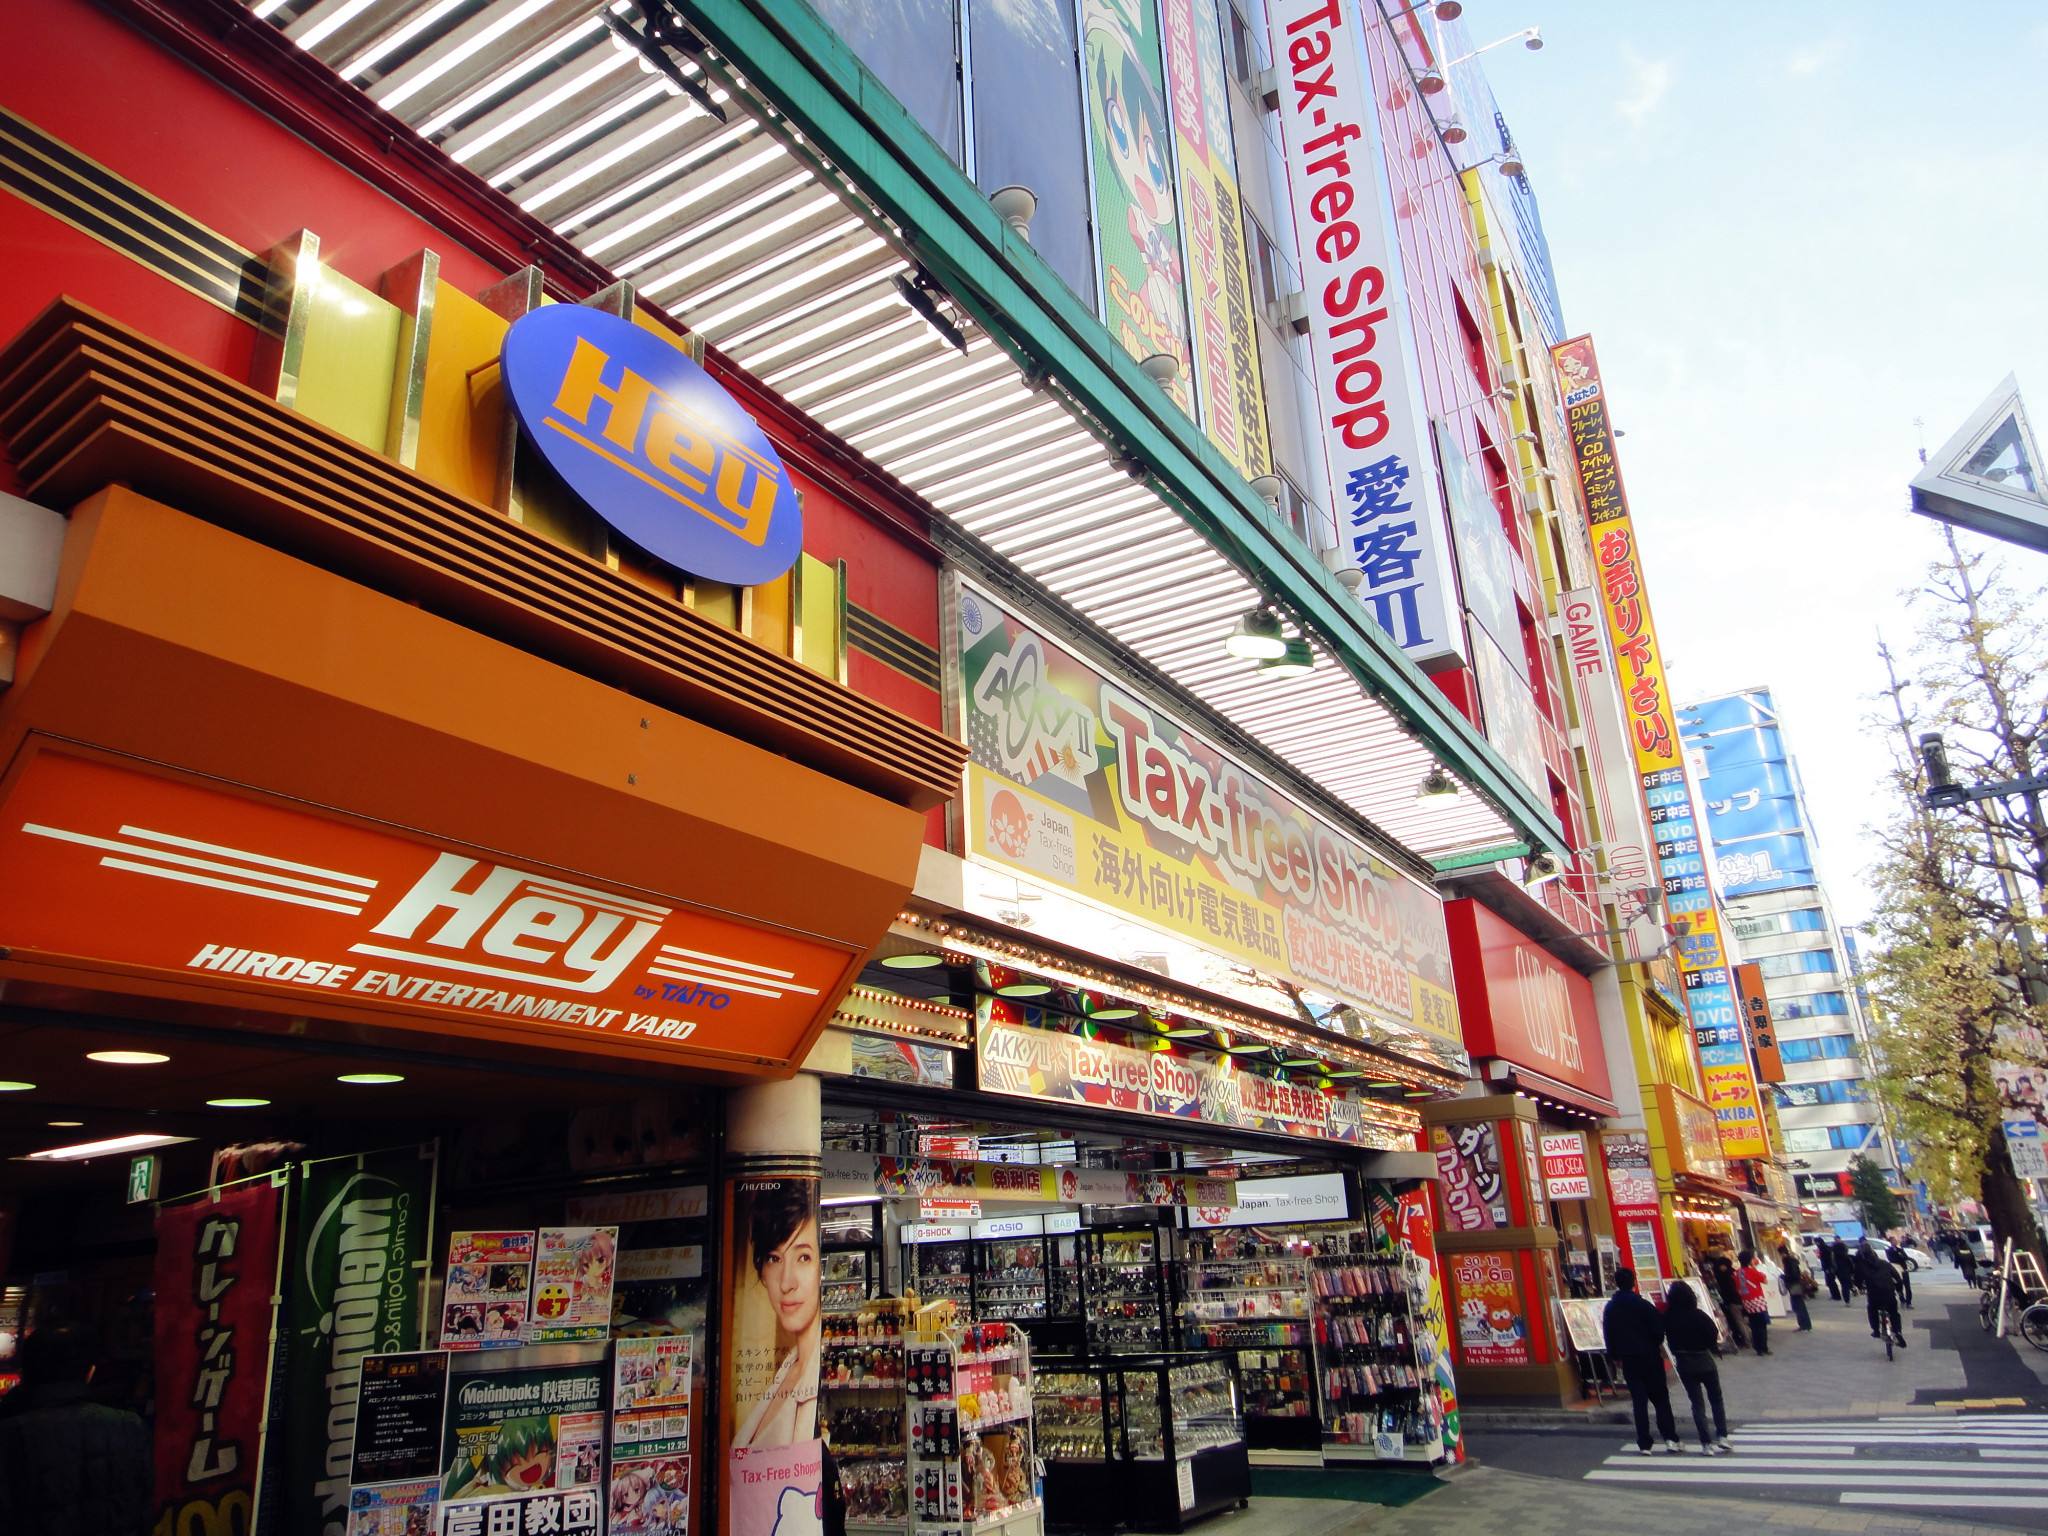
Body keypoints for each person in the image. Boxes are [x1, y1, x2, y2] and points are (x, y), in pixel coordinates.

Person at [0, 1320, 149, 1536]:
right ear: (90, 1372)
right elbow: (145, 1502)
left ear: (25, 1372)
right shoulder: (129, 1425)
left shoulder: (9, 1434)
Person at [732, 1184, 822, 1449]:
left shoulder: (816, 1373)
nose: (786, 1282)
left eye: (803, 1257)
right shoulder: (789, 1370)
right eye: (774, 1259)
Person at [1602, 1267, 1682, 1455]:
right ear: (1633, 1283)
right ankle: (1670, 1438)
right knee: (1661, 1398)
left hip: (1628, 1358)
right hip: (1649, 1356)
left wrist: (1615, 1356)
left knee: (1639, 1401)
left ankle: (1644, 1443)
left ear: (1616, 1283)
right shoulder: (1643, 1305)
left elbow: (1608, 1333)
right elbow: (1658, 1330)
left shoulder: (1611, 1307)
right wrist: (1654, 1344)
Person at [1664, 1281, 1732, 1454]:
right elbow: (1712, 1333)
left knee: (1697, 1403)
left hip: (1684, 1362)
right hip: (1704, 1360)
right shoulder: (1699, 1315)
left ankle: (1706, 1443)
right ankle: (1722, 1436)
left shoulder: (1669, 1317)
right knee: (1716, 1399)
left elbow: (1667, 1340)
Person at [1855, 1239, 1906, 1349]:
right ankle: (1898, 1332)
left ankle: (1876, 1330)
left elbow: (1857, 1280)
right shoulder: (1884, 1263)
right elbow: (1897, 1277)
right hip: (1889, 1293)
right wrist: (1899, 1290)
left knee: (1872, 1310)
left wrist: (1860, 1287)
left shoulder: (1862, 1267)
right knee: (1894, 1313)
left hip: (1874, 1295)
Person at [1705, 1249, 1749, 1348]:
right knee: (1741, 1320)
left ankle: (1747, 1340)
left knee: (1738, 1321)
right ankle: (1747, 1338)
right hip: (1740, 1299)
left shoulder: (1724, 1277)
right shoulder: (1734, 1273)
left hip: (1733, 1301)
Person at [1735, 1249, 1772, 1356]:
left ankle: (1757, 1348)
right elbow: (1765, 1280)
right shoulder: (1752, 1271)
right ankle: (1763, 1347)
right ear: (1749, 1260)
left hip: (1746, 1301)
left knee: (1754, 1325)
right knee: (1762, 1325)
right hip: (1757, 1300)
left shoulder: (1737, 1273)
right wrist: (1755, 1268)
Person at [1778, 1242, 1814, 1331]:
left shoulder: (1788, 1261)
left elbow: (1793, 1275)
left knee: (1798, 1305)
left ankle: (1804, 1325)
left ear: (1782, 1253)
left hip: (1794, 1285)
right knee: (1799, 1304)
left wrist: (1785, 1277)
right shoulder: (1791, 1260)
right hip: (1796, 1284)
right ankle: (1805, 1324)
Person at [1887, 1235, 1914, 1308]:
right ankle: (1902, 1299)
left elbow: (1905, 1257)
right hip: (1896, 1270)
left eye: (1895, 1240)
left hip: (1904, 1270)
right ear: (1890, 1242)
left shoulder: (1900, 1249)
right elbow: (1892, 1259)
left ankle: (1909, 1302)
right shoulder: (1889, 1250)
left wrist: (1900, 1255)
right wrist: (1899, 1256)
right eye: (1893, 1240)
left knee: (1907, 1286)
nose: (1895, 1242)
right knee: (1899, 1286)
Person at [1830, 1236, 1857, 1302]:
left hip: (1839, 1272)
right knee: (1847, 1283)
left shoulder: (1835, 1256)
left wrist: (1834, 1271)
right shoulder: (1846, 1256)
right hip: (1846, 1271)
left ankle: (1847, 1299)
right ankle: (1850, 1294)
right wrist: (1852, 1271)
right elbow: (1850, 1264)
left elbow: (1833, 1263)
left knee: (1844, 1285)